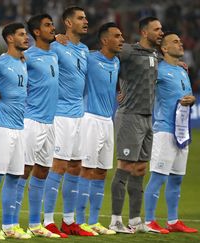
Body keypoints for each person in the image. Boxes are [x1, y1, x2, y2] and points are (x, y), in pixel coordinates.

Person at [109, 16, 164, 234]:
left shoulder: (155, 54)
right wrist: (115, 88)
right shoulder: (129, 51)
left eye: (161, 29)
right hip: (129, 116)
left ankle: (135, 220)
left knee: (140, 169)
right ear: (144, 32)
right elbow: (106, 61)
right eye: (156, 29)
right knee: (124, 167)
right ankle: (115, 220)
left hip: (147, 117)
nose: (161, 32)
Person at [44, 6, 95, 236]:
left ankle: (69, 221)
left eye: (86, 17)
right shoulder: (55, 46)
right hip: (60, 114)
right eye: (80, 18)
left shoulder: (84, 49)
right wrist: (52, 38)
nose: (86, 21)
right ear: (68, 22)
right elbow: (34, 54)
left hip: (79, 114)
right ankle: (46, 221)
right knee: (59, 165)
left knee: (75, 166)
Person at [10, 13, 61, 239]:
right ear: (37, 32)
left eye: (52, 25)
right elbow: (5, 69)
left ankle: (34, 223)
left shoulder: (54, 55)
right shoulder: (26, 56)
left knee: (42, 172)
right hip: (30, 121)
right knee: (23, 172)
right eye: (48, 25)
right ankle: (12, 223)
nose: (53, 28)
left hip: (50, 122)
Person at [144, 32, 197, 234]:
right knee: (158, 177)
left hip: (182, 132)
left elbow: (188, 94)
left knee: (177, 179)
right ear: (164, 48)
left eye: (180, 41)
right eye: (175, 41)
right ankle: (149, 221)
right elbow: (137, 77)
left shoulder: (183, 70)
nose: (180, 43)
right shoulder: (157, 69)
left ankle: (173, 220)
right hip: (164, 130)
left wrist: (191, 99)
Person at [74, 22, 123, 235]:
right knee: (87, 169)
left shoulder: (118, 62)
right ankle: (79, 220)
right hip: (90, 118)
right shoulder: (90, 58)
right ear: (105, 40)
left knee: (102, 171)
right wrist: (60, 39)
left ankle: (94, 221)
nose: (122, 39)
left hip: (107, 120)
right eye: (117, 36)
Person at [0, 22, 30, 240]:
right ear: (10, 38)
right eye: (21, 34)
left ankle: (9, 225)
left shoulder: (23, 62)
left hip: (19, 128)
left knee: (14, 178)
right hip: (1, 127)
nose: (26, 37)